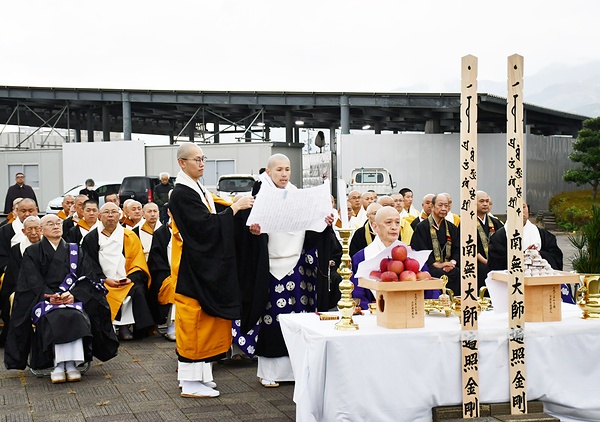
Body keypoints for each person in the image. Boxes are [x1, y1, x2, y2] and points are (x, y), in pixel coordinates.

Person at [235, 153, 335, 389]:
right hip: (268, 267)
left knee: (297, 318)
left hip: (296, 265)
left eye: (287, 169)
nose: (284, 174)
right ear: (268, 172)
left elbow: (311, 231)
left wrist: (325, 222)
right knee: (271, 320)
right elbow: (243, 233)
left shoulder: (298, 194)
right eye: (279, 169)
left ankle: (296, 368)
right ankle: (269, 371)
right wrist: (254, 233)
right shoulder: (256, 197)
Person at [168, 142, 253, 398]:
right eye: (197, 159)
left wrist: (234, 213)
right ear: (182, 163)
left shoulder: (198, 189)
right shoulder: (181, 193)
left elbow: (213, 220)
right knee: (193, 322)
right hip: (192, 267)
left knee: (206, 323)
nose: (202, 163)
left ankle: (202, 376)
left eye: (204, 158)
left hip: (201, 264)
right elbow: (203, 229)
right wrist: (235, 208)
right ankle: (190, 381)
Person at [4, 214, 118, 382]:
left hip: (72, 299)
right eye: (50, 224)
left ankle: (72, 363)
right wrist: (50, 296)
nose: (56, 226)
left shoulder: (76, 250)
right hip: (44, 300)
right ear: (42, 230)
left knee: (75, 315)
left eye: (58, 223)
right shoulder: (32, 252)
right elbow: (31, 280)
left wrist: (73, 295)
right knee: (55, 317)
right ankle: (57, 364)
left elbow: (87, 277)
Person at [81, 202, 154, 341]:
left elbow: (138, 262)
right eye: (106, 212)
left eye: (113, 212)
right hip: (103, 280)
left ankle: (125, 326)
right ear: (99, 216)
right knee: (97, 291)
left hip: (126, 279)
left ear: (120, 215)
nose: (110, 215)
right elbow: (89, 264)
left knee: (138, 290)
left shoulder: (129, 235)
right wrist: (104, 278)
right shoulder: (91, 238)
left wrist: (130, 278)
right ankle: (109, 327)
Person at [488, 201, 573, 303]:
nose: (521, 211)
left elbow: (555, 255)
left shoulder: (542, 234)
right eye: (516, 208)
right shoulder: (499, 236)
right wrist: (523, 256)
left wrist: (538, 254)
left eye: (523, 207)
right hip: (514, 284)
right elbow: (496, 262)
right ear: (507, 212)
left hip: (541, 280)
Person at [0, 216, 43, 346]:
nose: (34, 232)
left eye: (36, 228)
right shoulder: (17, 249)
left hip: (47, 288)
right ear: (24, 232)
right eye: (30, 229)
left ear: (41, 229)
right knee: (13, 299)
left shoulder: (49, 247)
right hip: (23, 288)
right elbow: (13, 275)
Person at [350, 206, 401, 309]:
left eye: (397, 222)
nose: (394, 227)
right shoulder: (361, 257)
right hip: (374, 313)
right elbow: (358, 294)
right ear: (375, 227)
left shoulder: (410, 254)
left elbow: (426, 287)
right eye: (388, 223)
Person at [411, 193, 460, 294]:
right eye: (440, 205)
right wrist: (437, 265)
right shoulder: (422, 227)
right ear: (432, 207)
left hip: (450, 266)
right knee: (436, 273)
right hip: (431, 267)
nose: (444, 208)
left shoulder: (451, 227)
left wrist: (452, 263)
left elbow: (458, 248)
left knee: (457, 273)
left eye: (446, 206)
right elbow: (420, 249)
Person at [147, 209, 181, 341]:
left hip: (189, 274)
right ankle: (173, 324)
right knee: (176, 285)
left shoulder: (191, 231)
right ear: (169, 212)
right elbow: (156, 262)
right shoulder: (161, 233)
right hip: (167, 274)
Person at [475, 191, 503, 292]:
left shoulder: (496, 222)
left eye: (487, 201)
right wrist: (487, 262)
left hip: (494, 261)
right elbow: (470, 248)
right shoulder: (466, 222)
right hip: (478, 262)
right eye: (481, 201)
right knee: (482, 270)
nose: (485, 204)